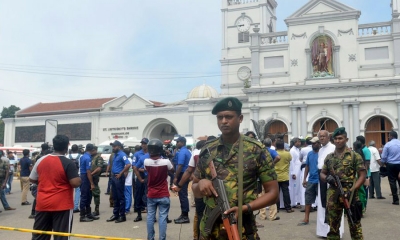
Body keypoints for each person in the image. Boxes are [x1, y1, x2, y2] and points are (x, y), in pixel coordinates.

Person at [192, 97, 278, 239]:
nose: (224, 121)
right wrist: (200, 184)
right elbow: (195, 187)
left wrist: (245, 208)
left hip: (242, 229)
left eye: (229, 117)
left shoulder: (256, 150)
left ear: (240, 118)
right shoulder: (208, 150)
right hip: (210, 231)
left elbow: (273, 193)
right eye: (220, 117)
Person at [29, 135, 81, 240]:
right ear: (67, 147)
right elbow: (75, 183)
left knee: (40, 235)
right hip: (62, 205)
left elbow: (32, 179)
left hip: (43, 203)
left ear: (54, 146)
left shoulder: (41, 160)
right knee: (61, 236)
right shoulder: (68, 163)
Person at [320, 127, 366, 239]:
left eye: (340, 138)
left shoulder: (354, 156)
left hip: (351, 194)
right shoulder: (329, 157)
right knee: (333, 227)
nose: (337, 141)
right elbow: (322, 173)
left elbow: (362, 175)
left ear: (346, 139)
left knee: (355, 225)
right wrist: (327, 178)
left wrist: (353, 190)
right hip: (333, 194)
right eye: (335, 138)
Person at [174, 140, 206, 239]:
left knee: (199, 213)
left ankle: (197, 235)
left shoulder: (194, 153)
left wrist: (177, 181)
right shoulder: (189, 152)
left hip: (195, 184)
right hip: (201, 184)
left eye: (178, 141)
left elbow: (184, 168)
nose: (176, 143)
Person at [144, 139, 174, 240]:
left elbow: (147, 168)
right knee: (162, 218)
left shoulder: (146, 162)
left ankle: (150, 238)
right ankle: (162, 238)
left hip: (151, 194)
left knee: (150, 217)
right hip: (163, 194)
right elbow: (172, 169)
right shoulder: (166, 162)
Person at [316, 130, 344, 238]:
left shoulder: (333, 148)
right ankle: (324, 232)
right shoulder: (320, 149)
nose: (322, 138)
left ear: (328, 137)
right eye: (320, 136)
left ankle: (335, 231)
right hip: (322, 178)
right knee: (323, 204)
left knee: (332, 205)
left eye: (324, 136)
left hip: (331, 179)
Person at [106, 140, 131, 223]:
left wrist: (121, 173)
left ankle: (122, 215)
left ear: (119, 147)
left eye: (115, 146)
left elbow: (128, 164)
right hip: (113, 177)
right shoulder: (114, 155)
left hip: (118, 177)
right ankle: (115, 214)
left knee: (120, 197)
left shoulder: (122, 154)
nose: (113, 148)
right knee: (115, 197)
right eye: (113, 146)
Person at [298, 137, 320, 226]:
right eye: (312, 143)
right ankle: (306, 219)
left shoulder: (322, 153)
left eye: (315, 143)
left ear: (319, 143)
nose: (313, 145)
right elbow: (307, 166)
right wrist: (304, 179)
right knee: (308, 200)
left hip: (320, 181)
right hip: (311, 180)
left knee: (323, 201)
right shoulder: (310, 154)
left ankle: (325, 219)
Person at [173, 136, 192, 224]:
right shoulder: (186, 151)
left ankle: (185, 216)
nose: (176, 144)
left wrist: (176, 177)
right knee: (182, 194)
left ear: (182, 143)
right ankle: (183, 214)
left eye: (178, 142)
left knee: (182, 194)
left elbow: (180, 166)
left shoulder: (183, 152)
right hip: (185, 174)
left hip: (182, 174)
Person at [79, 144, 98, 222]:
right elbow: (88, 171)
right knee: (84, 196)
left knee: (88, 196)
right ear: (92, 150)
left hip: (83, 176)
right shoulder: (87, 158)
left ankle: (88, 214)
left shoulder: (83, 156)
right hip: (85, 177)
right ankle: (82, 216)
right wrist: (92, 183)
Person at [381, 130, 400, 205]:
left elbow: (384, 156)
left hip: (391, 164)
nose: (388, 137)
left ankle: (396, 200)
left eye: (389, 136)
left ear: (391, 136)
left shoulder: (388, 145)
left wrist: (382, 163)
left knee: (392, 181)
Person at [263, 138, 281, 221]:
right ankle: (272, 215)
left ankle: (262, 215)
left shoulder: (260, 150)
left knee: (261, 195)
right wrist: (272, 164)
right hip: (270, 175)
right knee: (271, 194)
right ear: (271, 144)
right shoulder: (271, 151)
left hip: (260, 175)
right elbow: (278, 157)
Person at [133, 140, 150, 222]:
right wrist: (140, 176)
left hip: (148, 176)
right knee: (138, 195)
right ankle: (139, 214)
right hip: (140, 175)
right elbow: (134, 166)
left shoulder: (151, 154)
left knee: (148, 195)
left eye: (145, 144)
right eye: (142, 144)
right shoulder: (137, 154)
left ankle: (150, 215)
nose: (143, 145)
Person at [275, 139, 294, 213]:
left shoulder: (274, 153)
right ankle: (288, 207)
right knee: (286, 192)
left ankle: (276, 208)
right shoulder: (287, 153)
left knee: (276, 193)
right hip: (285, 175)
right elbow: (290, 159)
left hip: (276, 175)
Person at [91, 146, 104, 216]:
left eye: (93, 150)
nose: (91, 152)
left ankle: (97, 209)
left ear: (95, 150)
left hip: (94, 177)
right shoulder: (90, 157)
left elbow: (99, 168)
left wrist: (91, 174)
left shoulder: (98, 157)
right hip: (89, 177)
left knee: (96, 193)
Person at [68, 144, 81, 213]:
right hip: (77, 175)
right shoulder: (80, 156)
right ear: (77, 149)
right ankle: (76, 206)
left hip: (68, 175)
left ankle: (68, 205)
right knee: (78, 191)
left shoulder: (67, 156)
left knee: (68, 190)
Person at [289, 137, 302, 208]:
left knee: (297, 187)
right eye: (298, 142)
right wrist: (293, 173)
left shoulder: (298, 150)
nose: (299, 143)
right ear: (294, 143)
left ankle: (297, 201)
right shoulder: (292, 150)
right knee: (294, 187)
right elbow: (292, 162)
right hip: (295, 171)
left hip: (298, 169)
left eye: (300, 142)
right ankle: (294, 202)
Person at [123, 148, 133, 214]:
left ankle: (126, 209)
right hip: (129, 180)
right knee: (129, 195)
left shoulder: (127, 160)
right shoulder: (131, 160)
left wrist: (123, 178)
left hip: (126, 181)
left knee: (126, 195)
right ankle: (127, 208)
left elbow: (126, 171)